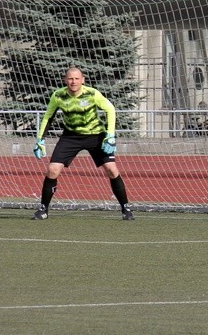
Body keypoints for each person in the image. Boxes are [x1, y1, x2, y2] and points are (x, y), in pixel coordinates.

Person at [31, 67, 134, 221]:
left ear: (83, 80)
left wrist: (110, 135)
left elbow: (110, 109)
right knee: (52, 170)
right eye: (70, 79)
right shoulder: (58, 95)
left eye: (77, 79)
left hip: (96, 136)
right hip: (70, 137)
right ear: (66, 80)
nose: (73, 82)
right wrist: (40, 140)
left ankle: (126, 208)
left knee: (112, 170)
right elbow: (48, 117)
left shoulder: (92, 94)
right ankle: (43, 209)